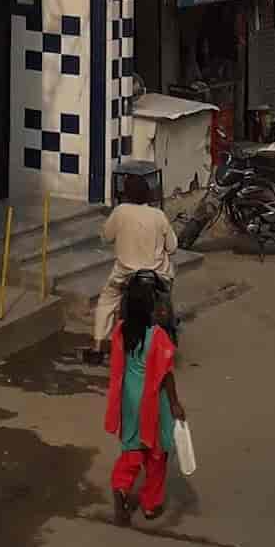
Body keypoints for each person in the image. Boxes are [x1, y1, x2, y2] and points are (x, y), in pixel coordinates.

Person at [105, 272, 184, 525]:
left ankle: (121, 486)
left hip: (128, 397)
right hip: (152, 398)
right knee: (157, 452)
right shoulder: (157, 337)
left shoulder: (121, 331)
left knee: (132, 448)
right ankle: (150, 504)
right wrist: (174, 402)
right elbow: (166, 374)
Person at [93, 171, 178, 354]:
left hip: (125, 275)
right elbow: (172, 248)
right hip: (157, 276)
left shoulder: (120, 212)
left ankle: (98, 344)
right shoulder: (158, 215)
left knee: (107, 301)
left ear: (126, 194)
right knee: (167, 295)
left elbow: (106, 237)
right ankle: (169, 326)